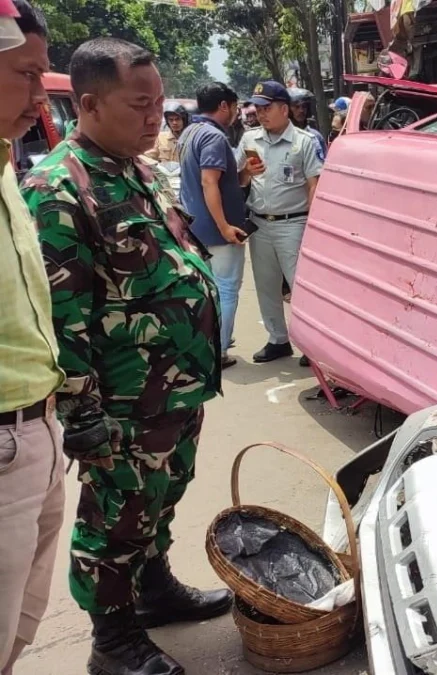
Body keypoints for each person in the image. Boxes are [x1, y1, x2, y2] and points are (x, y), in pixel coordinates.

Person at [22, 37, 231, 675]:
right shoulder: (59, 188)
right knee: (114, 518)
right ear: (88, 105)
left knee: (160, 499)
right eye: (140, 106)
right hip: (121, 401)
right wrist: (84, 416)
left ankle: (153, 591)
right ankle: (112, 639)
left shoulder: (135, 170)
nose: (155, 119)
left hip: (172, 390)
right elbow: (62, 318)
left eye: (160, 103)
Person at [0, 4, 66, 674]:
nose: (39, 93)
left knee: (21, 617)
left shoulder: (6, 169)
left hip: (38, 433)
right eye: (26, 73)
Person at [178, 81, 265, 369]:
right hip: (216, 230)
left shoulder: (190, 132)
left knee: (210, 290)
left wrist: (244, 174)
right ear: (224, 106)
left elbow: (220, 180)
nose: (237, 113)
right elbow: (208, 181)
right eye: (235, 106)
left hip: (196, 227)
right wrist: (225, 226)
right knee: (226, 289)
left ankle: (210, 343)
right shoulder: (214, 137)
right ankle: (219, 350)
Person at [241, 80, 322, 366]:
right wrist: (246, 173)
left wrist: (313, 226)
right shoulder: (250, 139)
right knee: (266, 285)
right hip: (260, 223)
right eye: (258, 108)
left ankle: (312, 345)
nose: (261, 114)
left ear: (284, 109)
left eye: (267, 108)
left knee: (300, 287)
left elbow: (315, 184)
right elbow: (240, 181)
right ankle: (278, 340)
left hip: (294, 223)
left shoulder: (304, 142)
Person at [287, 86, 328, 162]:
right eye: (296, 107)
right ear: (288, 109)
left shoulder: (315, 136)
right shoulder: (284, 136)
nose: (301, 110)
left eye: (304, 106)